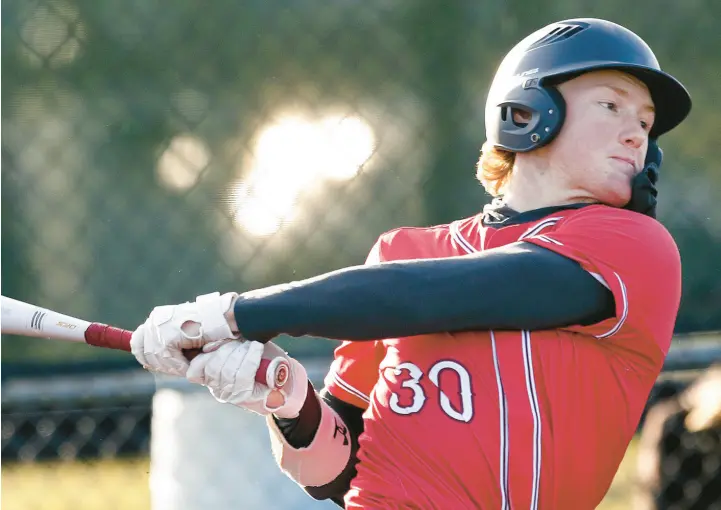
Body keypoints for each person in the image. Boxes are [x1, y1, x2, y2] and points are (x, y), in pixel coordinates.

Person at [130, 18, 692, 509]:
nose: (634, 133)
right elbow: (334, 476)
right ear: (527, 112)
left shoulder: (635, 248)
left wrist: (241, 313)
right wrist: (285, 400)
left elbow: (445, 295)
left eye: (645, 122)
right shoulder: (404, 252)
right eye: (611, 105)